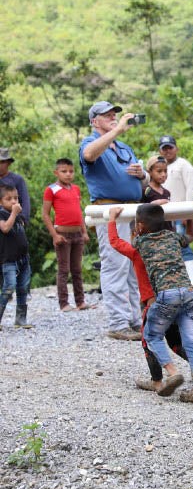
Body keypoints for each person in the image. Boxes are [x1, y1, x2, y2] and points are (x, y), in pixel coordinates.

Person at [106, 206, 193, 398]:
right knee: (187, 340)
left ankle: (166, 377)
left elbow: (114, 241)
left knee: (150, 338)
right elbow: (186, 237)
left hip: (158, 300)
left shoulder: (139, 247)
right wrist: (181, 216)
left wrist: (112, 219)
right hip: (188, 294)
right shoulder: (172, 239)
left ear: (138, 227)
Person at [79, 101, 147, 341]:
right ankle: (118, 323)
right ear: (94, 121)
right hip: (110, 210)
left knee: (132, 266)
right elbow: (89, 155)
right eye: (106, 115)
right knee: (114, 264)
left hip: (132, 211)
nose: (111, 117)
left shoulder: (124, 147)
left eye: (113, 114)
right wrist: (117, 129)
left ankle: (136, 321)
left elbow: (144, 183)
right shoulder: (90, 143)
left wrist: (143, 175)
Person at [41, 158, 92, 312]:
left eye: (71, 171)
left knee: (77, 269)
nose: (68, 174)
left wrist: (84, 231)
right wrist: (54, 235)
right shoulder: (51, 189)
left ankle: (80, 301)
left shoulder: (76, 189)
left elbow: (78, 212)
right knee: (64, 270)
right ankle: (63, 303)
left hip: (77, 234)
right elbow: (45, 214)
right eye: (64, 171)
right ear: (56, 173)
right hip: (62, 234)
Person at [159, 135, 193, 286]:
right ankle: (176, 280)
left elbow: (190, 188)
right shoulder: (161, 167)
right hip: (165, 214)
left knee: (183, 244)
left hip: (180, 211)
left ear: (176, 148)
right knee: (168, 247)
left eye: (170, 147)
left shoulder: (184, 165)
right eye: (164, 148)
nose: (167, 151)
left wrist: (187, 212)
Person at [0, 185, 31, 329]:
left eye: (16, 198)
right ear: (0, 202)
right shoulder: (2, 214)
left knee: (23, 287)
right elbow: (5, 228)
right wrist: (13, 214)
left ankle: (20, 319)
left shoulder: (18, 215)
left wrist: (16, 215)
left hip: (23, 258)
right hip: (9, 260)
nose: (13, 201)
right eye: (9, 199)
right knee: (9, 287)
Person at [0, 148, 31, 224]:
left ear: (9, 163)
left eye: (2, 162)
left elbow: (25, 201)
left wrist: (22, 220)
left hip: (13, 221)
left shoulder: (17, 179)